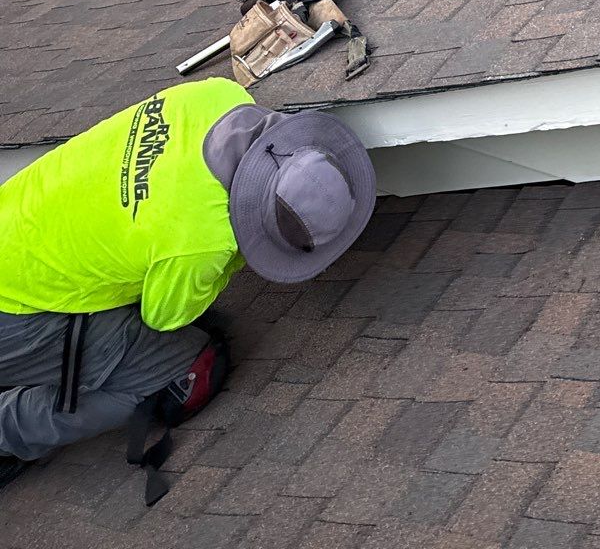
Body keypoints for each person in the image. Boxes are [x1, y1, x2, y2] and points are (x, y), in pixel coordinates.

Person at [0, 78, 375, 497]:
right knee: (173, 374)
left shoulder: (220, 95)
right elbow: (163, 316)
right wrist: (232, 257)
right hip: (15, 309)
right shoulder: (204, 241)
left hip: (14, 226)